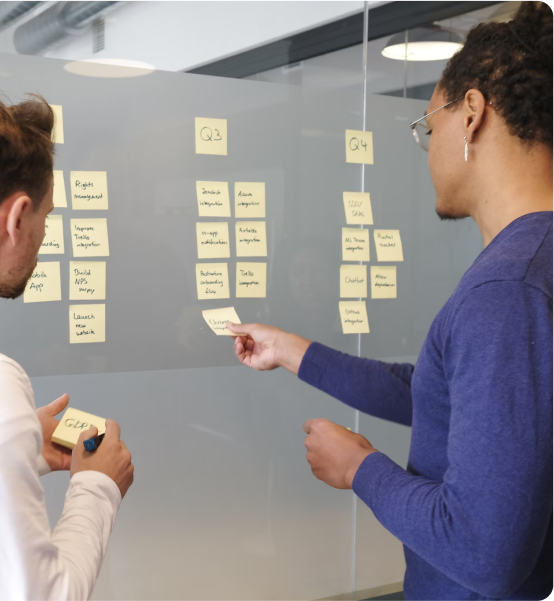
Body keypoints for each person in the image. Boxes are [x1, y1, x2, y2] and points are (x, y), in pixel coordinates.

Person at [228, 1, 554, 600]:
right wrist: (292, 351)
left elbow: (486, 551)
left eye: (430, 126)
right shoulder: (531, 268)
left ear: (473, 115)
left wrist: (360, 468)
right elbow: (442, 397)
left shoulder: (507, 290)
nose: (427, 148)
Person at [0, 94, 134, 601]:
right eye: (47, 217)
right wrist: (97, 485)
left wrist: (17, 443)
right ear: (17, 219)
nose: (43, 235)